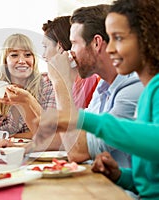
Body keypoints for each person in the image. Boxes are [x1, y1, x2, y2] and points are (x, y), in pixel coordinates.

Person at [36, 0, 159, 198]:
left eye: (118, 38)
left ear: (146, 38)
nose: (110, 49)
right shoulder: (147, 91)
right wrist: (119, 176)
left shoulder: (148, 89)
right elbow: (148, 180)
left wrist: (81, 117)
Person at [40, 4, 144, 168]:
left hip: (122, 192)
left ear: (96, 43)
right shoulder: (103, 85)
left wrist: (61, 82)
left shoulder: (134, 86)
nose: (70, 52)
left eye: (74, 43)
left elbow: (77, 150)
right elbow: (75, 136)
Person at [0, 33, 56, 140]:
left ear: (34, 59)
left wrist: (7, 137)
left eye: (28, 55)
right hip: (7, 154)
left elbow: (52, 131)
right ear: (5, 60)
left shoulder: (47, 83)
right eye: (14, 55)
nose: (22, 61)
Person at [42, 16, 99, 109]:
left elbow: (68, 121)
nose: (43, 55)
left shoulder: (89, 81)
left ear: (60, 47)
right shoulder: (47, 81)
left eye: (45, 46)